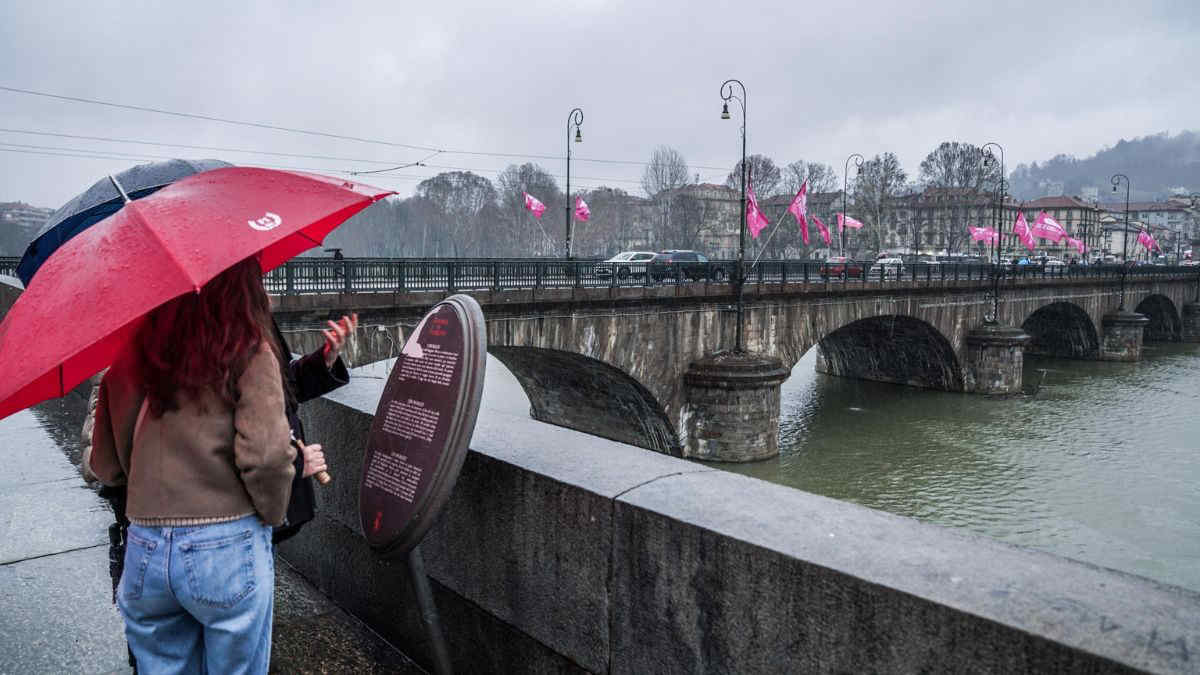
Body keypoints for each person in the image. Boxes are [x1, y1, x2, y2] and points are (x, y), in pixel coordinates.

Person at [86, 256, 295, 674]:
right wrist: (272, 514)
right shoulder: (248, 350)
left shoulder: (130, 356)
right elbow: (268, 456)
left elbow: (105, 467)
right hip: (226, 543)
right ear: (243, 288)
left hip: (145, 544)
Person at [270, 312, 357, 544]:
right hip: (242, 520)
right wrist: (292, 462)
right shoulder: (218, 327)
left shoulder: (252, 314)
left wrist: (325, 359)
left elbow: (284, 387)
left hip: (272, 512)